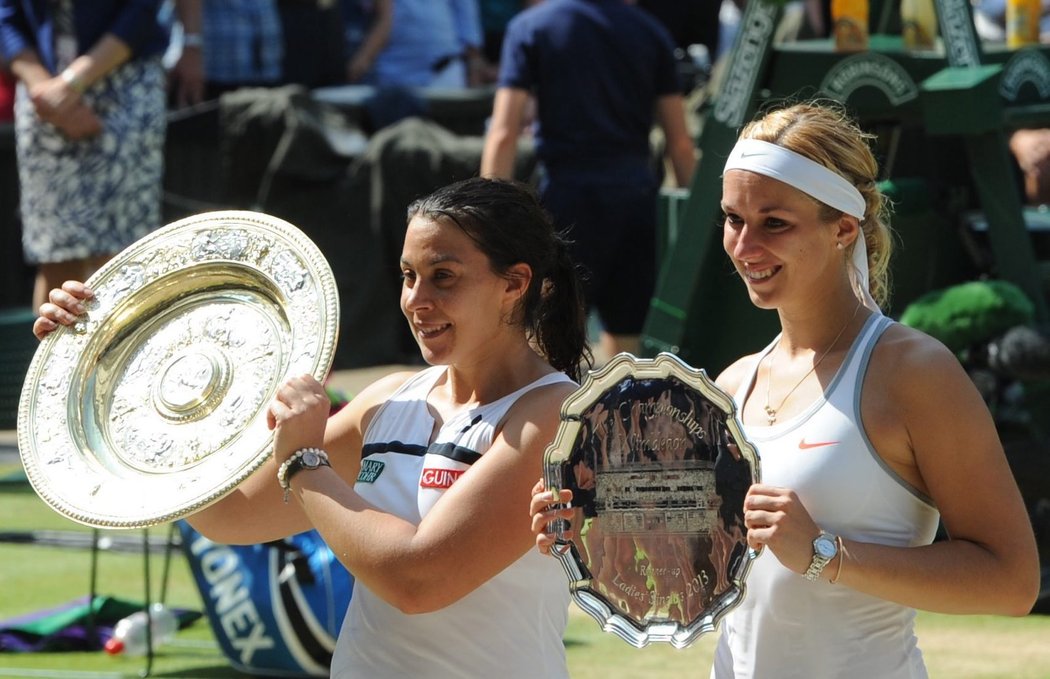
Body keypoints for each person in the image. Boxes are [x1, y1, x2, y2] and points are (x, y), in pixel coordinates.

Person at [530, 101, 1040, 677]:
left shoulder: (914, 372)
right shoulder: (733, 382)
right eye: (733, 219)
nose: (745, 247)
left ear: (844, 229)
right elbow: (698, 571)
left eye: (775, 223)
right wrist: (591, 531)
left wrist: (826, 554)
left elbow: (1011, 582)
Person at [34, 176, 593, 678]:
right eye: (407, 276)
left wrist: (305, 462)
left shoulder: (555, 417)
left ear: (515, 284)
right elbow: (230, 516)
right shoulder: (387, 400)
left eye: (442, 277)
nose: (416, 301)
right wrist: (110, 363)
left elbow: (418, 581)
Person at [480, 0, 696, 359]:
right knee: (627, 344)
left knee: (547, 336)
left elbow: (504, 132)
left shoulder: (532, 26)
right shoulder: (650, 31)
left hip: (566, 201)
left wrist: (484, 219)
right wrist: (702, 226)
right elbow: (680, 142)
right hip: (636, 200)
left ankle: (547, 413)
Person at [0, 0, 169, 311]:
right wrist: (50, 96)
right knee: (57, 253)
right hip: (42, 91)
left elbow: (141, 9)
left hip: (124, 81)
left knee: (123, 253)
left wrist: (70, 85)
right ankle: (53, 359)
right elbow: (4, 15)